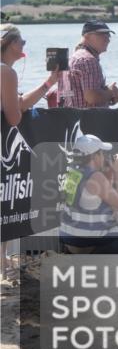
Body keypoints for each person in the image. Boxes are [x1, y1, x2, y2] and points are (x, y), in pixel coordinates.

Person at [1, 25, 60, 278]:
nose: (24, 46)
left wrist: (47, 84)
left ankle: (3, 260)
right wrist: (48, 84)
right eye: (22, 41)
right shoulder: (6, 71)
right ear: (12, 43)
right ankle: (2, 264)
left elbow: (16, 105)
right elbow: (14, 116)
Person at [59, 21, 118, 108]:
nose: (108, 39)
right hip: (89, 120)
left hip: (71, 119)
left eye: (108, 36)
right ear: (87, 36)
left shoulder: (71, 58)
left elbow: (78, 95)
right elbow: (92, 97)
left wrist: (109, 96)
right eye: (102, 35)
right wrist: (110, 92)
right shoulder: (88, 60)